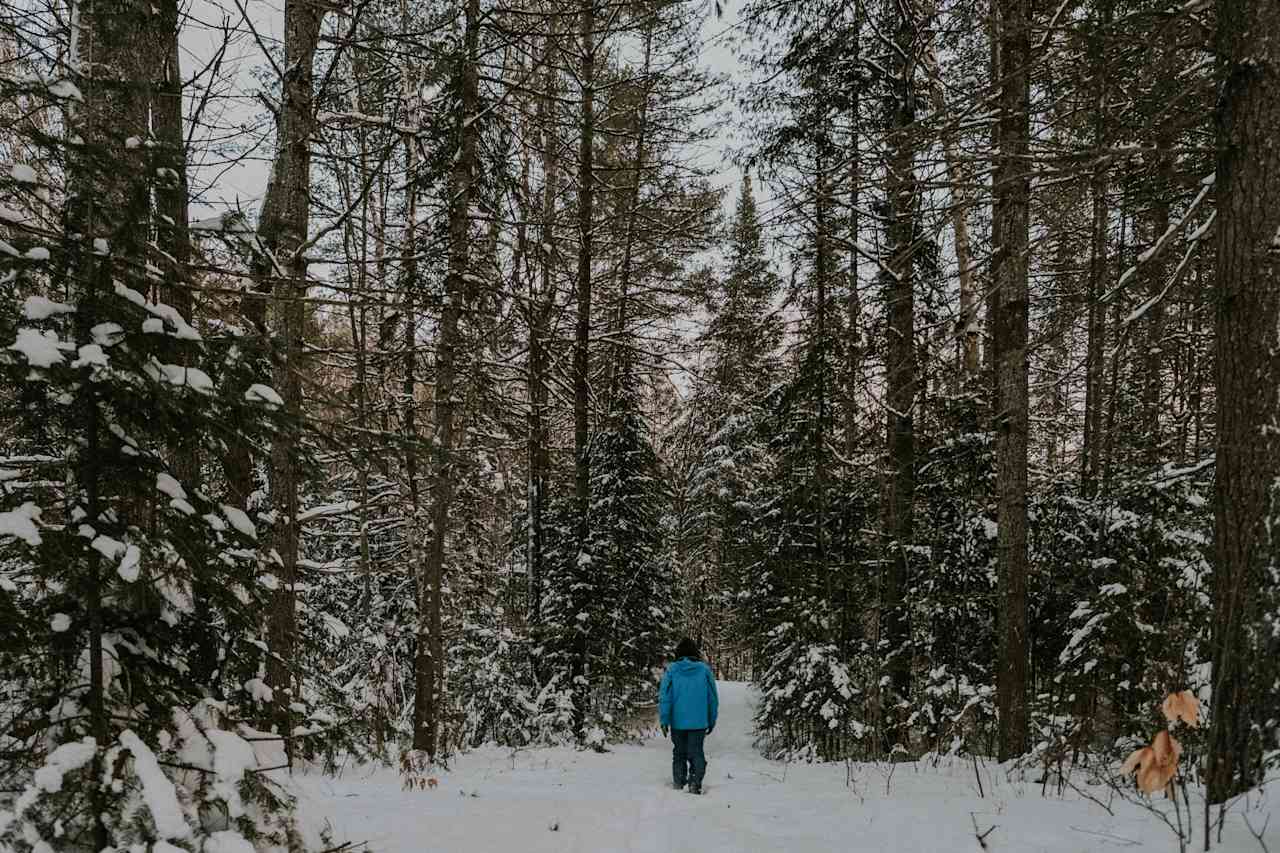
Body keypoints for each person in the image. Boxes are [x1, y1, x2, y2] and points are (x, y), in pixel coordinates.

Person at [658, 637, 719, 794]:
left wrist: (664, 719)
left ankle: (679, 783)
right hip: (699, 723)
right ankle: (695, 783)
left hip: (677, 723)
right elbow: (712, 698)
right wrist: (711, 719)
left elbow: (665, 697)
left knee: (679, 753)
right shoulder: (704, 670)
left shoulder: (672, 670)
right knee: (696, 752)